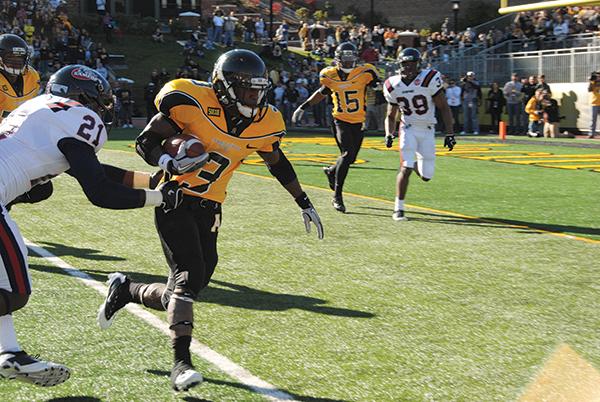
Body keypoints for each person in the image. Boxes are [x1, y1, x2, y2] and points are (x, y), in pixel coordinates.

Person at [96, 49, 323, 392]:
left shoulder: (265, 122)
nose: (254, 96)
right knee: (188, 278)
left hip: (211, 206)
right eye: (247, 89)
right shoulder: (192, 101)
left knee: (187, 287)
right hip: (175, 199)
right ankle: (181, 364)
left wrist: (303, 201)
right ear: (225, 86)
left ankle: (128, 290)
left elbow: (276, 161)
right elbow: (146, 142)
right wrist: (167, 163)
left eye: (258, 90)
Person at [0, 65, 183, 387]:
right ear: (83, 97)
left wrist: (151, 181)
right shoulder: (76, 120)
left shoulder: (40, 111)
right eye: (100, 102)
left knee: (3, 284)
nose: (101, 109)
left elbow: (91, 169)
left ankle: (9, 353)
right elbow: (100, 191)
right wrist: (161, 198)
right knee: (15, 292)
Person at [291, 42, 380, 213]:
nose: (348, 63)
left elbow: (377, 83)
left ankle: (332, 171)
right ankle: (337, 196)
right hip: (340, 120)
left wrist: (377, 87)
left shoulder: (365, 72)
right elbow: (322, 93)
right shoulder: (329, 75)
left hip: (358, 121)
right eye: (345, 59)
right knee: (346, 155)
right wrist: (303, 107)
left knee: (351, 158)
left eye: (351, 59)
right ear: (337, 60)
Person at [382, 48, 455, 221]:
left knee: (426, 176)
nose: (408, 67)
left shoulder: (429, 79)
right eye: (405, 64)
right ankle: (398, 208)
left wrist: (450, 134)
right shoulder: (393, 84)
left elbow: (444, 107)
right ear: (400, 64)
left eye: (412, 63)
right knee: (405, 168)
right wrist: (389, 133)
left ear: (418, 64)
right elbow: (391, 115)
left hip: (428, 129)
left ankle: (413, 163)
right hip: (408, 128)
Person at [0, 34, 40, 122]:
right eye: (10, 57)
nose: (16, 61)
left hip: (23, 128)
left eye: (20, 57)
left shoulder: (32, 76)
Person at [589, 71, 600, 138]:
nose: (598, 76)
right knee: (593, 119)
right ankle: (591, 133)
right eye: (597, 75)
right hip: (594, 103)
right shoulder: (593, 82)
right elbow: (589, 89)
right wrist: (591, 81)